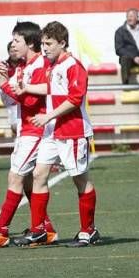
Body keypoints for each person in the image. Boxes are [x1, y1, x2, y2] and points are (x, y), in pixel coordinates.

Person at [12, 21, 100, 248]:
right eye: (42, 43)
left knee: (80, 179)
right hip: (53, 132)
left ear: (62, 43)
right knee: (39, 174)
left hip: (72, 131)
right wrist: (27, 88)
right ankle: (39, 229)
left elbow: (74, 98)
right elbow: (51, 89)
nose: (44, 48)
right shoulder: (52, 65)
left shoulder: (73, 65)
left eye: (49, 43)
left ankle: (88, 230)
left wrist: (48, 116)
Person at [0, 21, 57, 249]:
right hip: (26, 129)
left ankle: (1, 232)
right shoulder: (24, 66)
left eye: (17, 40)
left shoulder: (40, 64)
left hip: (36, 129)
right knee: (30, 180)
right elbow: (12, 97)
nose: (13, 45)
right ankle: (45, 229)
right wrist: (4, 80)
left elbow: (31, 100)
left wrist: (4, 84)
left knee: (16, 177)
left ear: (30, 43)